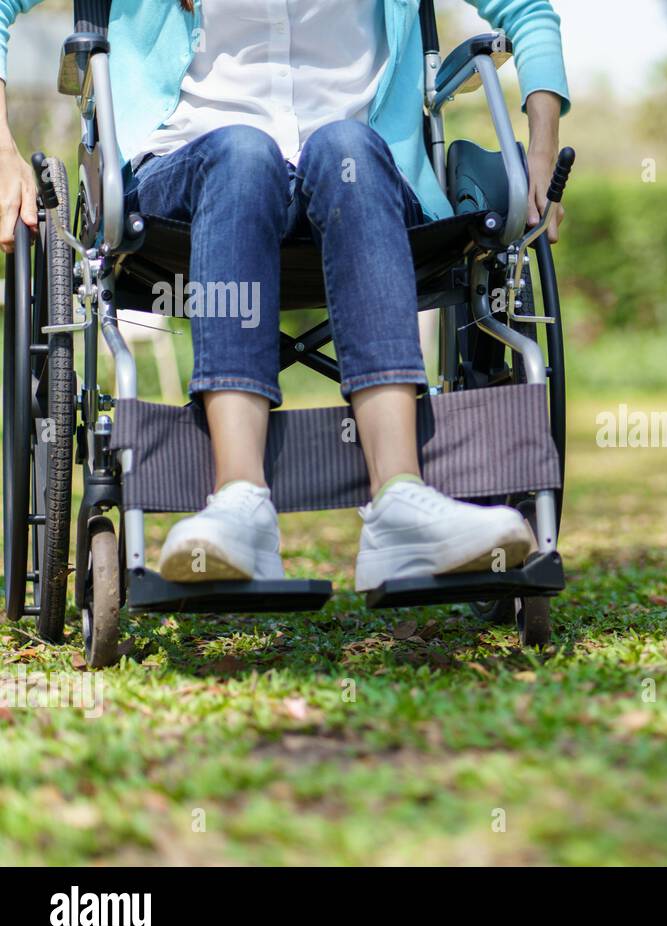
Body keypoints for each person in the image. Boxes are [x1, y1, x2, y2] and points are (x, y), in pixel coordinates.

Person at [0, 0, 569, 590]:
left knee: (347, 145)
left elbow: (527, 10)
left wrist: (541, 153)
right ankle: (239, 503)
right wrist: (3, 155)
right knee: (244, 153)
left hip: (361, 176)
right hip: (188, 173)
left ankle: (402, 504)